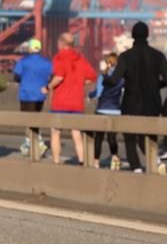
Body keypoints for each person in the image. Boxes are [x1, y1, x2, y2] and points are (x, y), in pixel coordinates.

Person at [104, 22, 167, 173]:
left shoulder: (125, 57)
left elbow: (114, 80)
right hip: (152, 104)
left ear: (133, 35)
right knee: (149, 137)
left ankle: (136, 169)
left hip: (131, 104)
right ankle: (155, 162)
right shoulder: (158, 55)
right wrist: (156, 85)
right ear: (147, 35)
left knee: (130, 140)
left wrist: (105, 79)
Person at [43, 32, 97, 165]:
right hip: (77, 103)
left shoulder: (59, 58)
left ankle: (56, 162)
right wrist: (80, 83)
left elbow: (59, 76)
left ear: (60, 43)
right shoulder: (81, 59)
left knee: (55, 132)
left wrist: (48, 87)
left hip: (60, 103)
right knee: (77, 134)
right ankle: (82, 160)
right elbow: (93, 76)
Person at [13, 38, 52, 155]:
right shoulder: (47, 62)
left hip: (26, 94)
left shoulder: (23, 61)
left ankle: (36, 142)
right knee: (36, 118)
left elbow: (16, 77)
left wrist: (26, 78)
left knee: (28, 120)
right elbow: (53, 75)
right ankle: (30, 141)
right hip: (41, 94)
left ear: (30, 48)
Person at [89, 53, 123, 170]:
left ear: (107, 62)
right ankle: (115, 159)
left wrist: (90, 94)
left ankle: (96, 162)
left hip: (102, 109)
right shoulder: (121, 78)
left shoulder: (103, 76)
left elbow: (98, 93)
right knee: (112, 138)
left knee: (98, 138)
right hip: (116, 110)